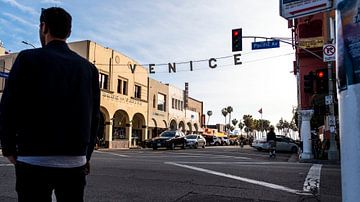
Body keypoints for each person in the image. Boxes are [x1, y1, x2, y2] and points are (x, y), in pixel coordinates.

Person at [0, 7, 100, 202]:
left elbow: (8, 107)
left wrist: (8, 147)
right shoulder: (89, 69)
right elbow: (94, 116)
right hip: (74, 162)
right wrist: (86, 155)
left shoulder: (27, 59)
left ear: (44, 27)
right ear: (69, 32)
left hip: (32, 159)